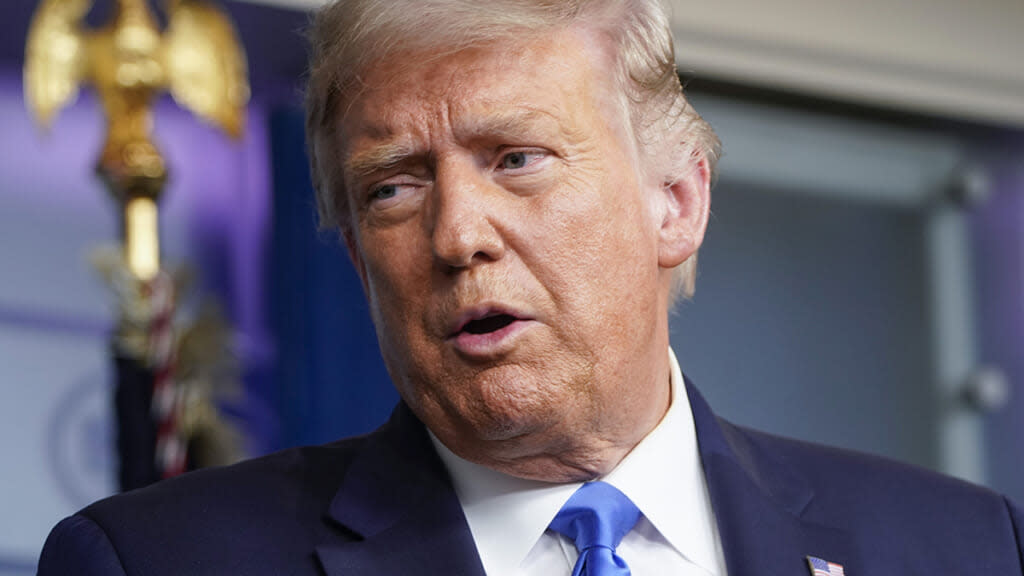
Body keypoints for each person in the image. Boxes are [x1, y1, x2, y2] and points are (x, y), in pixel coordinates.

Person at [39, 0, 1024, 574]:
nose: (458, 235)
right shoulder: (159, 564)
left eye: (516, 159)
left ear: (673, 203)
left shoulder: (959, 546)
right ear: (353, 255)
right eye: (392, 186)